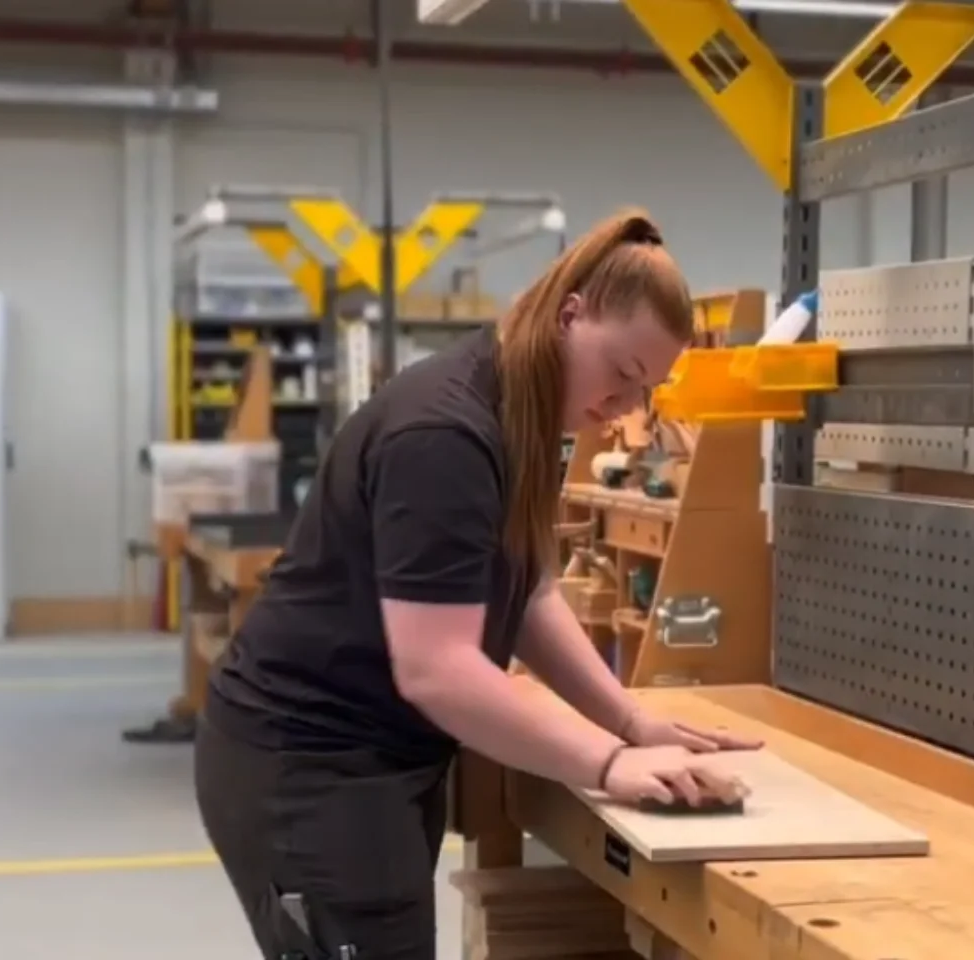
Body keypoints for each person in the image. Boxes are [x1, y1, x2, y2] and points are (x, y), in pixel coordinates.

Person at [194, 209, 760, 959]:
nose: (628, 407)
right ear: (570, 316)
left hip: (376, 758)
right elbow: (437, 670)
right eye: (624, 374)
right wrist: (608, 763)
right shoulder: (448, 436)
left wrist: (630, 722)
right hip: (311, 766)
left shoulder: (517, 415)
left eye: (647, 388)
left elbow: (526, 592)